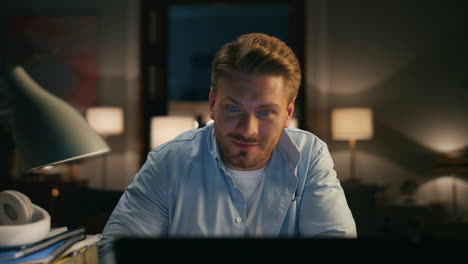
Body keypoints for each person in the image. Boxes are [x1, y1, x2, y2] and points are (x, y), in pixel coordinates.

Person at [98, 33, 356, 263]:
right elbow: (115, 251)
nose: (247, 130)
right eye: (233, 108)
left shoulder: (309, 156)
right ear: (212, 103)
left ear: (288, 113)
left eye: (265, 112)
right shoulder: (168, 162)